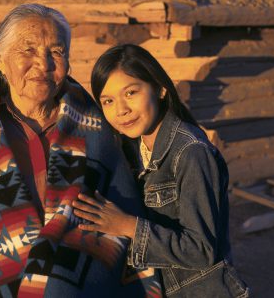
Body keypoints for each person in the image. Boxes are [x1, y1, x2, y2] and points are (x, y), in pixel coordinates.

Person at [0, 5, 161, 297]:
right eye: (28, 50)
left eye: (56, 52)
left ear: (68, 63)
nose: (43, 64)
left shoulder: (97, 131)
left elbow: (120, 214)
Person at [73, 44, 249, 297]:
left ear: (160, 88)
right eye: (108, 101)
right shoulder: (131, 149)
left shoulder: (190, 153)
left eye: (131, 92)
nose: (121, 109)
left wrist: (128, 226)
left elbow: (200, 249)